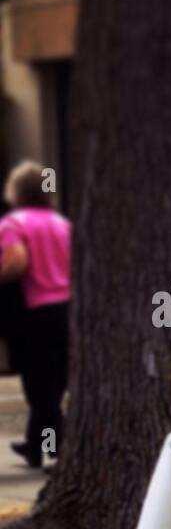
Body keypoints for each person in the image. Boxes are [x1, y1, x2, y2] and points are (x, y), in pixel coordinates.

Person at [0, 160, 71, 469]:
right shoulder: (62, 224)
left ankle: (62, 450)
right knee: (52, 384)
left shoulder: (14, 224)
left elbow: (16, 262)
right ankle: (36, 445)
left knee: (40, 389)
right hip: (66, 310)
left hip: (35, 313)